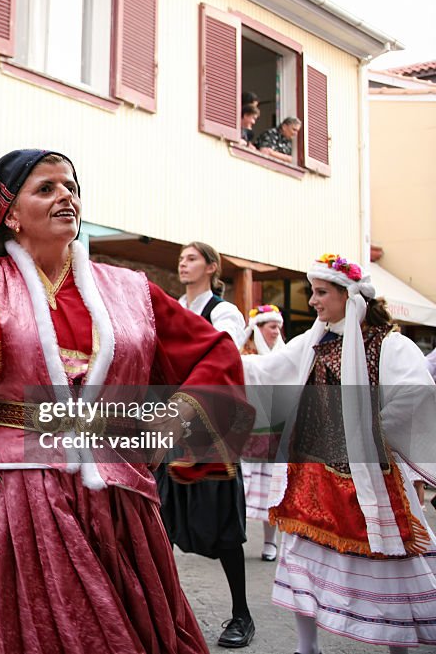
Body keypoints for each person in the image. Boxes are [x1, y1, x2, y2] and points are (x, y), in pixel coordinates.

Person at [0, 73, 252, 654]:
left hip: (120, 497)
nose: (65, 194)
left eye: (71, 185)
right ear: (9, 215)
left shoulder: (129, 288)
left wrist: (180, 426)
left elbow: (215, 352)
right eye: (45, 188)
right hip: (18, 496)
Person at [242, 254, 436, 654]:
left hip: (366, 480)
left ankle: (395, 648)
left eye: (321, 292)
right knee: (301, 559)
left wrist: (374, 429)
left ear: (350, 297)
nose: (313, 301)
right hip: (309, 475)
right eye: (312, 292)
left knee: (382, 562)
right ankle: (306, 647)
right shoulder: (310, 343)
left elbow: (418, 393)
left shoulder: (387, 344)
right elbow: (267, 372)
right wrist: (219, 358)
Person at [160, 241, 254, 648]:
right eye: (181, 258)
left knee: (223, 527)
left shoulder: (224, 312)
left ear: (212, 267)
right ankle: (160, 610)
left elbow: (221, 358)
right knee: (159, 519)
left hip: (209, 431)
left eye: (192, 257)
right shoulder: (176, 307)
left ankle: (242, 614)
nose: (183, 263)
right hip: (173, 428)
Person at [239, 304, 285, 562]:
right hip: (247, 433)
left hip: (275, 434)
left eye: (279, 327)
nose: (277, 331)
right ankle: (234, 538)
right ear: (257, 329)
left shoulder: (284, 355)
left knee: (271, 489)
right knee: (241, 490)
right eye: (272, 326)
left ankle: (270, 542)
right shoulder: (244, 357)